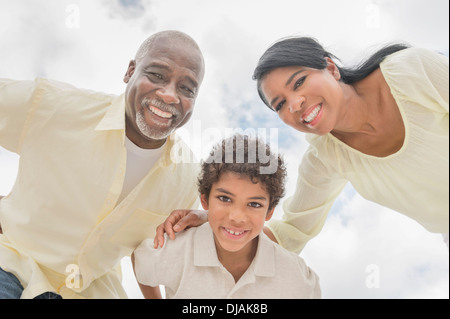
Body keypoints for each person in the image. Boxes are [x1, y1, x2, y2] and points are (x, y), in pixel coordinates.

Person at [155, 36, 448, 255]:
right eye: (280, 104)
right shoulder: (325, 158)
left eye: (299, 82)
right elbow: (290, 234)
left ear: (331, 69)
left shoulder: (411, 71)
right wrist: (212, 219)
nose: (295, 104)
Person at [0, 30, 205, 299]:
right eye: (156, 75)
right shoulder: (54, 105)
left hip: (92, 290)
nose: (169, 95)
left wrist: (208, 217)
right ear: (130, 71)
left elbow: (160, 253)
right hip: (12, 262)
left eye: (186, 88)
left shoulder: (190, 180)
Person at [132, 134, 321, 299]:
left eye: (254, 204)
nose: (237, 217)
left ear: (269, 212)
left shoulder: (296, 276)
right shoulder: (177, 250)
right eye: (225, 198)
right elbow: (142, 264)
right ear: (205, 200)